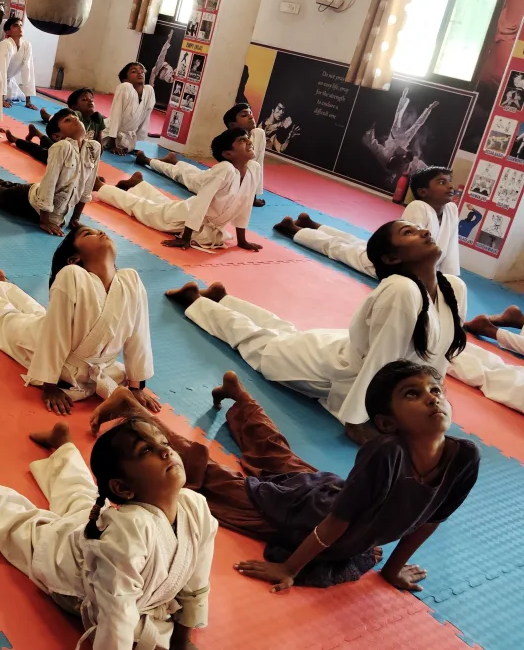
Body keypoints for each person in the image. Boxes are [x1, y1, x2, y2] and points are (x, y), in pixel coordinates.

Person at [88, 365, 479, 592]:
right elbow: (335, 523)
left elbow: (429, 520)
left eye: (435, 389)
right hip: (307, 515)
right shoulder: (387, 452)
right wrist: (289, 569)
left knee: (278, 454)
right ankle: (135, 409)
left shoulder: (464, 457)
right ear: (386, 423)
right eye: (413, 393)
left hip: (332, 494)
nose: (432, 397)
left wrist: (392, 570)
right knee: (211, 478)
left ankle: (241, 401)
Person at [0, 411, 215, 650]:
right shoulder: (125, 538)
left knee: (83, 498)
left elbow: (196, 581)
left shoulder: (196, 508)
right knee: (8, 514)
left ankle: (63, 445)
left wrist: (182, 640)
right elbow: (116, 618)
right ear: (122, 489)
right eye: (147, 449)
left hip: (94, 532)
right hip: (65, 562)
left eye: (164, 442)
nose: (166, 451)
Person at [166, 219, 468, 443]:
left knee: (284, 334)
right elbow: (381, 360)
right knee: (260, 347)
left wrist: (438, 402)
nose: (426, 232)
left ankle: (224, 299)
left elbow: (441, 355)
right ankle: (196, 302)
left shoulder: (452, 287)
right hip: (336, 369)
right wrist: (357, 420)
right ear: (391, 259)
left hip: (342, 350)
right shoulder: (401, 289)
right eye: (410, 232)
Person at [0, 224, 158, 414]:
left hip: (80, 353)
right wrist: (49, 384)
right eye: (89, 234)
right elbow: (55, 333)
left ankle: (1, 285)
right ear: (74, 259)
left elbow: (139, 334)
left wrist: (136, 385)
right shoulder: (72, 275)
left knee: (36, 311)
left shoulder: (131, 280)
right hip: (42, 342)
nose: (100, 233)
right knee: (6, 319)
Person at [275, 166, 461, 278]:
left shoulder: (451, 210)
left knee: (353, 240)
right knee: (337, 247)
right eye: (442, 182)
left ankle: (312, 224)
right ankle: (293, 229)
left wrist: (450, 278)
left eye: (449, 181)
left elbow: (451, 248)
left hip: (422, 269)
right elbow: (405, 248)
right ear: (423, 192)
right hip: (389, 263)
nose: (451, 186)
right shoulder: (418, 207)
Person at [96, 129, 263, 252]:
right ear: (227, 154)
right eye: (242, 140)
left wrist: (242, 241)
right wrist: (186, 238)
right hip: (186, 218)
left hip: (197, 219)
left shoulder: (253, 169)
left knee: (163, 206)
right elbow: (202, 201)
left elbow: (245, 205)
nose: (249, 141)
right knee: (142, 209)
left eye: (247, 138)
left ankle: (139, 184)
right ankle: (102, 188)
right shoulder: (225, 169)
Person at [106, 62, 155, 155]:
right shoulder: (125, 87)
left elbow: (145, 119)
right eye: (134, 71)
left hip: (128, 141)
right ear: (125, 79)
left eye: (141, 71)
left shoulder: (149, 91)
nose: (140, 73)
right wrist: (113, 144)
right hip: (109, 134)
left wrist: (137, 145)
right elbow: (116, 114)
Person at [0, 17, 37, 110]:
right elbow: (1, 70)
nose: (20, 28)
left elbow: (27, 70)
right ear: (7, 32)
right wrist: (1, 100)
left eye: (21, 25)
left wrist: (28, 101)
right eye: (16, 26)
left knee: (17, 96)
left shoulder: (27, 45)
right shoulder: (5, 44)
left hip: (8, 80)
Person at [40, 88, 106, 142]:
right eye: (84, 99)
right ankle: (44, 119)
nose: (90, 101)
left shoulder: (98, 118)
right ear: (74, 107)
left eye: (91, 99)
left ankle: (47, 116)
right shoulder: (77, 116)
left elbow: (99, 144)